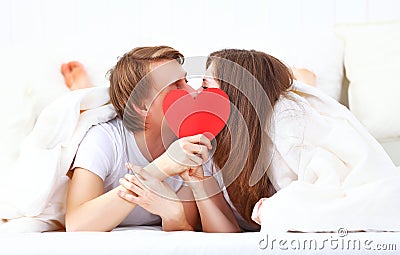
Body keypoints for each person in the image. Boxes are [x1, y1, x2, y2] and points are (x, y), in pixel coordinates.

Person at [118, 49, 324, 232]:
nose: (194, 94)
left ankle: (304, 81)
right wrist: (199, 185)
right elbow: (223, 235)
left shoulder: (283, 134)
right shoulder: (208, 146)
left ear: (236, 95)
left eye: (205, 87)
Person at [64, 46, 238, 232]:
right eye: (177, 86)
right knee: (82, 111)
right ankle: (82, 89)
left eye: (186, 81)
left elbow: (183, 228)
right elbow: (76, 224)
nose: (193, 91)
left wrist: (174, 215)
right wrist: (163, 167)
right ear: (142, 106)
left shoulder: (191, 145)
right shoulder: (105, 138)